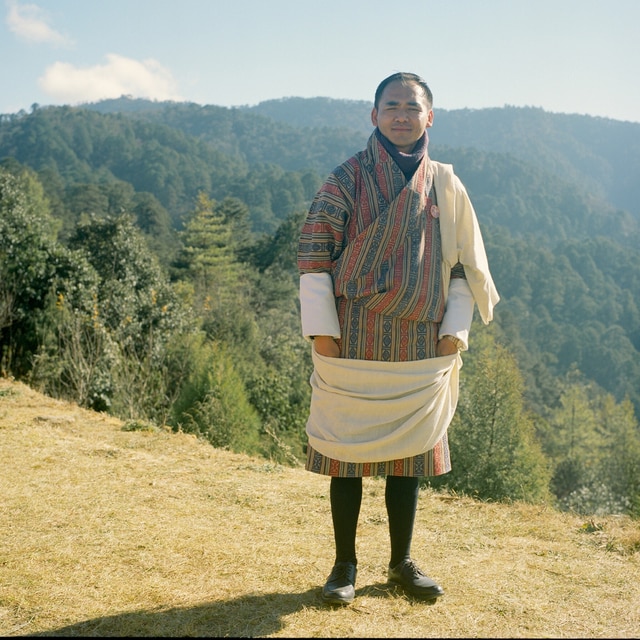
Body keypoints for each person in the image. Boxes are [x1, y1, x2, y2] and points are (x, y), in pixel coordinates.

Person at [297, 72, 499, 606]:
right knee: (347, 455)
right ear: (374, 116)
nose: (402, 115)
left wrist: (454, 332)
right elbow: (315, 259)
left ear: (430, 117)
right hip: (354, 333)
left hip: (420, 338)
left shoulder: (447, 185)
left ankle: (401, 561)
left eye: (413, 107)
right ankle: (344, 565)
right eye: (392, 106)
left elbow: (463, 269)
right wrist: (323, 334)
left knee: (408, 456)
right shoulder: (345, 181)